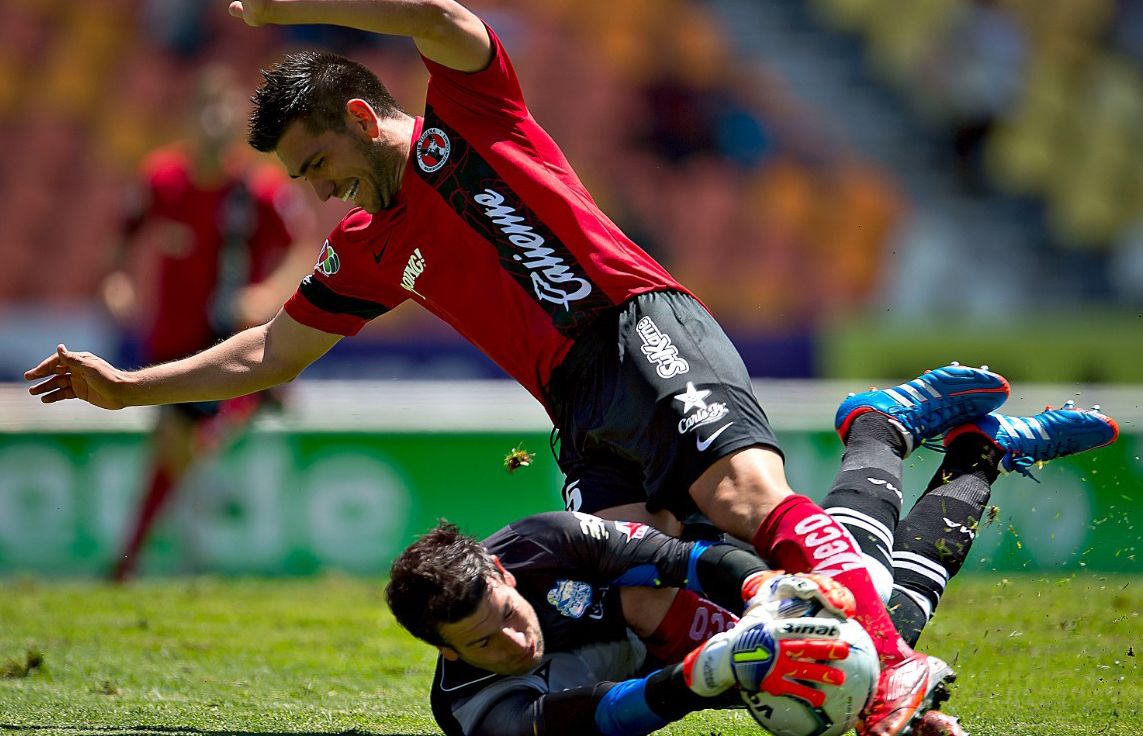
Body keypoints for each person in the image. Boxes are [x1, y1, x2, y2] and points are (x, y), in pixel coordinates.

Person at [19, 5, 1106, 731]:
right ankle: (889, 539)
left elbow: (446, 19)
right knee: (641, 596)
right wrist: (130, 386)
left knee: (746, 496)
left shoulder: (471, 123)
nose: (319, 194)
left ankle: (883, 666)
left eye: (319, 166)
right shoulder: (368, 249)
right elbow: (267, 348)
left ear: (360, 117)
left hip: (639, 327)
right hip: (577, 402)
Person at [385, 380, 1118, 736]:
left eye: (508, 615)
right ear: (443, 650)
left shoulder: (544, 543)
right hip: (682, 659)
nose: (515, 640)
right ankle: (976, 452)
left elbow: (685, 560)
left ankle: (880, 431)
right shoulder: (474, 711)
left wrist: (768, 587)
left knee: (846, 594)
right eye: (483, 643)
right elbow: (598, 720)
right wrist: (712, 675)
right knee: (876, 625)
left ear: (506, 577)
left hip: (687, 541)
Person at [99, 63, 316, 580]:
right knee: (176, 447)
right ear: (189, 118)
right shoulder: (161, 180)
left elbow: (302, 249)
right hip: (169, 343)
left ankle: (132, 561)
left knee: (179, 441)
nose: (215, 122)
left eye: (224, 112)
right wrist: (117, 278)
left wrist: (265, 293)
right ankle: (174, 556)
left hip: (229, 342)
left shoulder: (259, 190)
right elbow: (122, 235)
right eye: (205, 110)